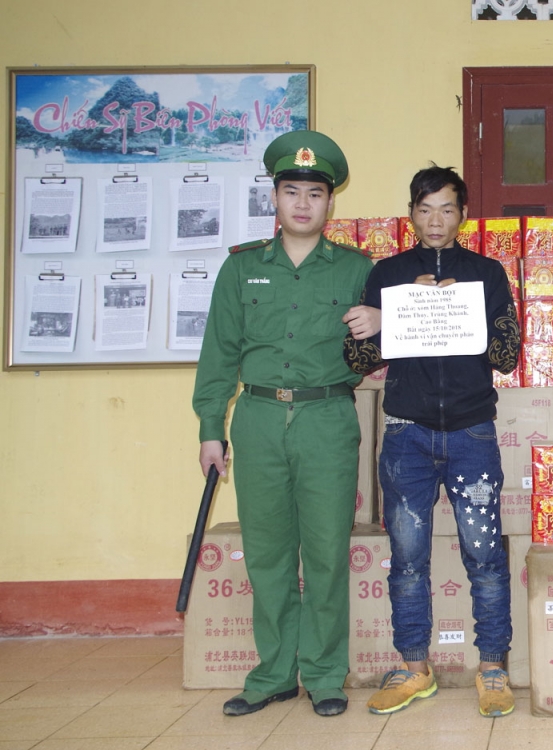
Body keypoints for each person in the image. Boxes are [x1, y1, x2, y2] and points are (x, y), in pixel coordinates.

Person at [192, 130, 372, 718]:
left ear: (329, 203)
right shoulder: (242, 269)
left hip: (326, 419)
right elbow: (218, 354)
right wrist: (209, 429)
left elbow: (388, 348)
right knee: (267, 554)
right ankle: (272, 673)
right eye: (291, 190)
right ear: (274, 197)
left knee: (324, 552)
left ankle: (323, 674)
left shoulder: (356, 269)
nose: (302, 203)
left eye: (314, 193)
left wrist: (384, 319)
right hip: (260, 418)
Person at [343, 165, 521, 718]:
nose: (436, 220)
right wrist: (382, 316)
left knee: (485, 555)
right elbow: (360, 360)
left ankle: (492, 667)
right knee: (408, 557)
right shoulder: (387, 273)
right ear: (411, 214)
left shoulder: (486, 273)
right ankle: (414, 667)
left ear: (463, 214)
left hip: (472, 431)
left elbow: (506, 356)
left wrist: (466, 312)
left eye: (447, 209)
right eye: (425, 210)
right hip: (406, 434)